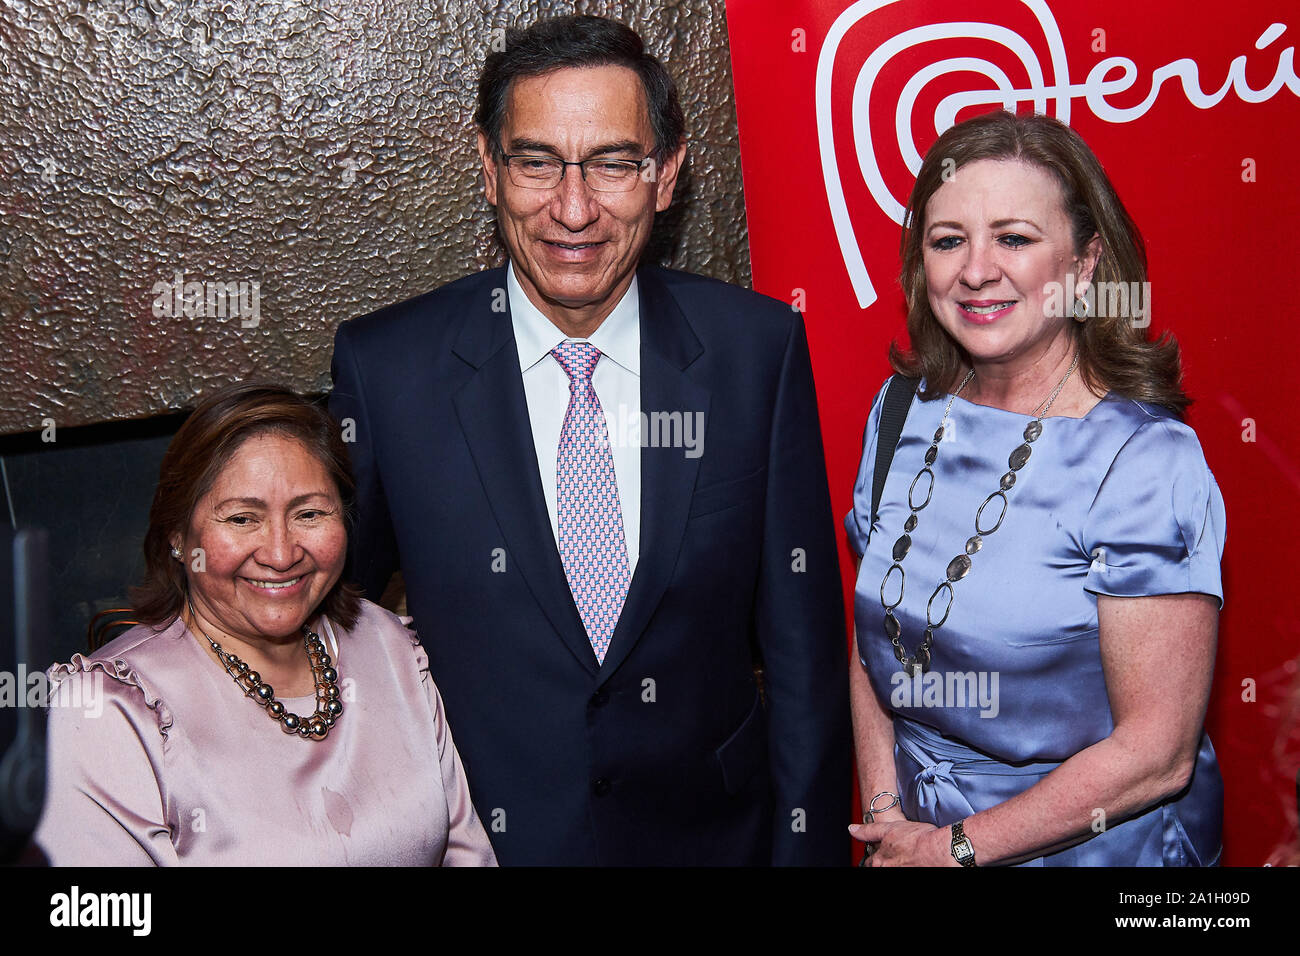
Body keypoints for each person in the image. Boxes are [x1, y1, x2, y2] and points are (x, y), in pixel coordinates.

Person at [329, 15, 850, 865]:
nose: (573, 210)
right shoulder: (388, 369)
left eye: (612, 163)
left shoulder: (757, 352)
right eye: (537, 162)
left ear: (666, 175)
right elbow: (327, 618)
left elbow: (805, 660)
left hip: (716, 844)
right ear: (490, 168)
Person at [845, 111, 1225, 866]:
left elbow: (1157, 754)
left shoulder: (1146, 461)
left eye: (1014, 238)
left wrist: (954, 850)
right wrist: (887, 814)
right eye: (947, 240)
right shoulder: (900, 412)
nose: (976, 270)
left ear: (1085, 264)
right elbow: (870, 642)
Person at [35, 384, 496, 866]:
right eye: (242, 519)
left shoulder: (387, 644)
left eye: (309, 514)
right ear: (177, 535)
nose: (280, 554)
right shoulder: (108, 710)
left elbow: (466, 853)